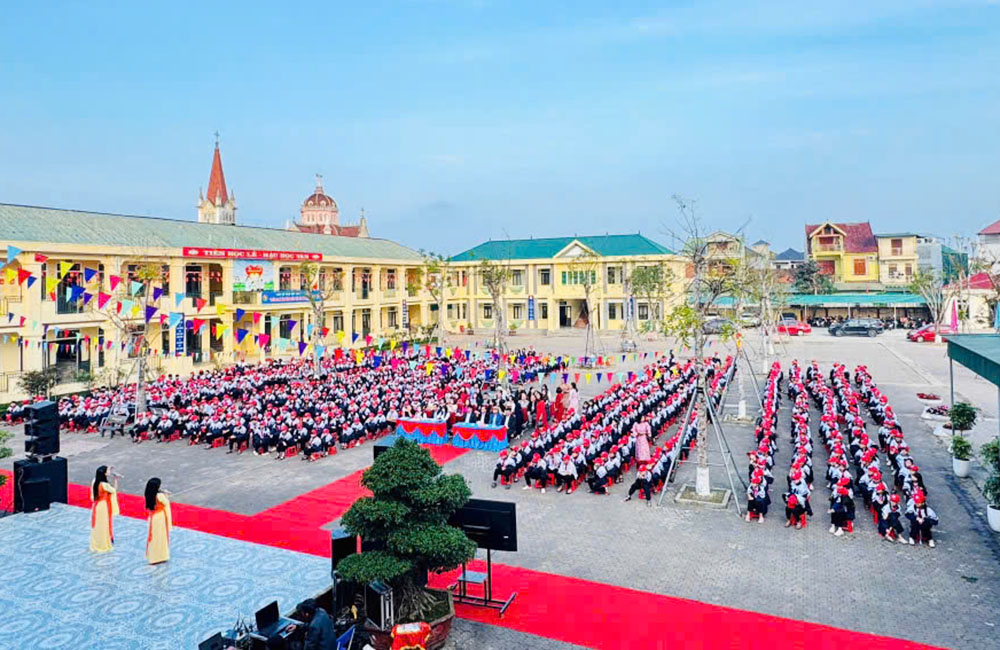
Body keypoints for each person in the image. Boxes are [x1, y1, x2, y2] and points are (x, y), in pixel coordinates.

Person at [90, 465, 120, 553]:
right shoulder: (104, 485)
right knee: (104, 524)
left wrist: (109, 469)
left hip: (97, 505)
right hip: (104, 506)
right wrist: (115, 480)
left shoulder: (95, 481)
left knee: (98, 525)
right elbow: (114, 490)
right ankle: (103, 543)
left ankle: (96, 543)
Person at [144, 477, 172, 564]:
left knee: (154, 537)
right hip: (160, 517)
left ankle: (153, 556)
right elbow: (166, 503)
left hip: (153, 516)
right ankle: (160, 556)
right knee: (160, 537)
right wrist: (166, 496)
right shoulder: (160, 496)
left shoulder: (149, 495)